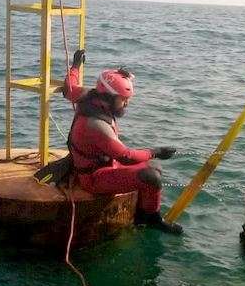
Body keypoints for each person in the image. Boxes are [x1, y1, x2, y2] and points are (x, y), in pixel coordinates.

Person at [61, 49, 183, 234]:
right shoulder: (96, 125)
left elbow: (69, 87)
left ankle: (142, 214)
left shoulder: (88, 95)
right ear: (109, 97)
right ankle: (153, 219)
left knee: (154, 168)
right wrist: (155, 151)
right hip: (93, 177)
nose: (126, 104)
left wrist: (76, 65)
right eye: (123, 100)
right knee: (152, 176)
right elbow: (125, 156)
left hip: (102, 164)